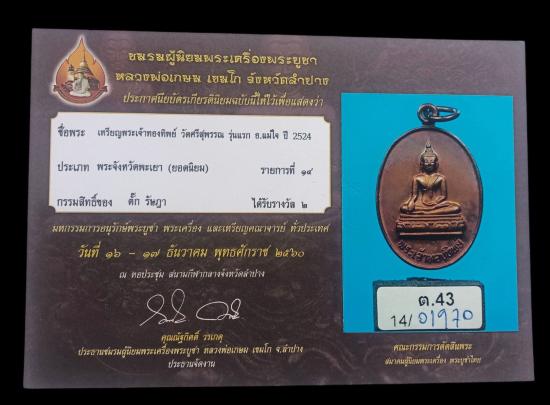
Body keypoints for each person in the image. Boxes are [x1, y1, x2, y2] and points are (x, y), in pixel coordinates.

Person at [400, 140, 461, 215]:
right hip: (421, 204)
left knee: (456, 208)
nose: (429, 164)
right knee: (403, 208)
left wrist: (436, 202)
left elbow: (443, 196)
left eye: (432, 161)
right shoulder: (417, 178)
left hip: (436, 204)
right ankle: (430, 212)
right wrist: (411, 202)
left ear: (436, 164)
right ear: (422, 164)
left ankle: (426, 213)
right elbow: (414, 195)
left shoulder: (441, 178)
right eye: (426, 161)